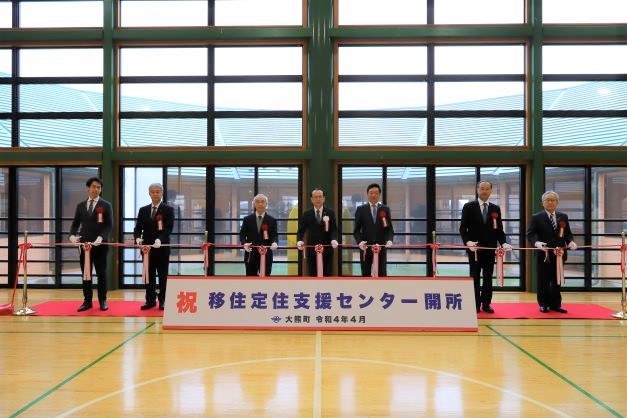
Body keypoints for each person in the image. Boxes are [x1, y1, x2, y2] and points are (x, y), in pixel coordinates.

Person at [459, 180, 513, 314]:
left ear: (490, 191)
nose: (484, 191)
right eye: (482, 188)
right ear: (477, 190)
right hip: (474, 250)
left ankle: (486, 304)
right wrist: (468, 242)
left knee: (488, 278)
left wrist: (504, 242)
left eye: (487, 189)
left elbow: (499, 230)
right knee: (475, 277)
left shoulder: (495, 208)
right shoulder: (468, 206)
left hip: (490, 249)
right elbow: (462, 228)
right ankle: (475, 304)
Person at [526, 191, 577, 314]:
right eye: (547, 200)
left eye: (552, 200)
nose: (550, 202)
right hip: (544, 254)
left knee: (556, 280)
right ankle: (543, 304)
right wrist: (536, 243)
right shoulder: (536, 217)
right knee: (543, 280)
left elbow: (568, 234)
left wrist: (571, 242)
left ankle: (556, 305)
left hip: (559, 254)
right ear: (542, 203)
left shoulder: (563, 217)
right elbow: (530, 234)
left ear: (557, 202)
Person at [69, 177, 113, 312]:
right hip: (85, 246)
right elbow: (75, 224)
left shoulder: (106, 205)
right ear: (88, 188)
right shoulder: (80, 206)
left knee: (101, 274)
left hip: (100, 245)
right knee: (86, 274)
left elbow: (109, 225)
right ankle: (87, 301)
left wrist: (101, 237)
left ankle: (102, 301)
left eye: (99, 187)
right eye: (94, 187)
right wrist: (72, 235)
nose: (96, 189)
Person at [133, 183, 174, 310]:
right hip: (147, 250)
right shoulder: (143, 210)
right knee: (149, 275)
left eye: (158, 191)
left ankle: (163, 300)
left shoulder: (168, 209)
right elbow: (138, 228)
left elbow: (168, 229)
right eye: (153, 192)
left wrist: (159, 239)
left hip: (162, 249)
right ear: (149, 193)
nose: (155, 194)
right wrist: (137, 238)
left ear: (162, 193)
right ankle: (150, 300)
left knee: (162, 276)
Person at [353, 183, 394, 276]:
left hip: (381, 248)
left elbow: (389, 229)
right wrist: (360, 242)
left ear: (379, 194)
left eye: (376, 193)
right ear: (367, 194)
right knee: (366, 274)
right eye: (371, 193)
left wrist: (389, 240)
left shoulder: (385, 209)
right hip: (366, 248)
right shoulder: (361, 209)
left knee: (382, 274)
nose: (373, 195)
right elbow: (356, 230)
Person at [296, 188, 339, 276]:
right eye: (315, 197)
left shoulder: (330, 213)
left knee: (327, 274)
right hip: (312, 250)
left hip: (327, 250)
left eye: (320, 197)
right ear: (312, 199)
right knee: (313, 274)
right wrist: (299, 240)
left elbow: (334, 229)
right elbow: (301, 231)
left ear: (324, 198)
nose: (318, 199)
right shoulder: (306, 214)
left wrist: (334, 239)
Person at [240, 194, 279, 276]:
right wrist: (244, 244)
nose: (260, 204)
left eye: (262, 202)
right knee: (251, 277)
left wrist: (274, 242)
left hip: (266, 253)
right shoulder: (247, 219)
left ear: (266, 204)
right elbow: (242, 235)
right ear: (254, 204)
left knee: (266, 276)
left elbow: (274, 235)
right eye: (257, 202)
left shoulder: (272, 220)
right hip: (251, 253)